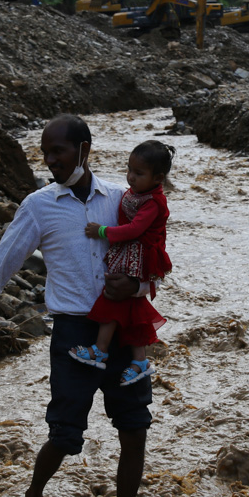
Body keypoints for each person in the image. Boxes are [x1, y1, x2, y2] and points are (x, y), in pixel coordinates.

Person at [0, 114, 153, 497]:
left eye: (59, 151)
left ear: (85, 149)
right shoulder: (39, 206)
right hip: (74, 334)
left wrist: (142, 284)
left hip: (125, 325)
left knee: (134, 428)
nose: (51, 160)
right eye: (46, 153)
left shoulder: (121, 200)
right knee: (66, 434)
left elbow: (151, 258)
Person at [70, 140, 174, 387]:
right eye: (129, 169)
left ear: (158, 178)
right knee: (133, 308)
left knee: (113, 296)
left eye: (138, 173)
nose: (130, 177)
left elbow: (135, 229)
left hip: (139, 254)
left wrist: (103, 231)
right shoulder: (139, 193)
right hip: (131, 251)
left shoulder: (153, 202)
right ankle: (139, 361)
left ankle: (100, 350)